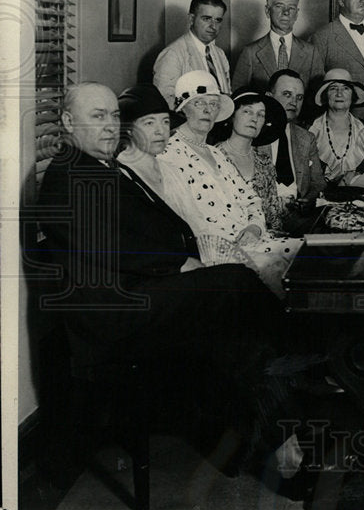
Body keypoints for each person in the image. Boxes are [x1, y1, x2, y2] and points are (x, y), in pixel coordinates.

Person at [38, 83, 290, 476]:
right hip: (112, 313)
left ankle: (256, 435)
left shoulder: (102, 166)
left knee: (236, 323)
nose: (109, 126)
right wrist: (183, 265)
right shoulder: (68, 173)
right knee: (235, 285)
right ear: (69, 122)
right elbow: (113, 249)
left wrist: (190, 256)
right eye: (97, 116)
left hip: (136, 294)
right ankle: (280, 410)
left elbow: (148, 229)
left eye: (113, 116)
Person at [159, 71, 300, 292]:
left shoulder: (216, 155)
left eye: (214, 104)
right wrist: (233, 249)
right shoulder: (168, 154)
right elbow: (186, 219)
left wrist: (254, 228)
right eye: (199, 103)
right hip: (218, 256)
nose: (208, 110)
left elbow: (252, 200)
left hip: (254, 241)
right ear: (182, 108)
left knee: (307, 258)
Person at [213, 89, 289, 233]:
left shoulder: (265, 163)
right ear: (232, 116)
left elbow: (273, 218)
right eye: (247, 111)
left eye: (261, 115)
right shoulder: (213, 157)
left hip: (263, 242)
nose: (254, 118)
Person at [231, 0, 322, 93]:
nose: (286, 12)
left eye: (291, 7)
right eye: (279, 6)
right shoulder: (250, 52)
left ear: (297, 14)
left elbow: (318, 96)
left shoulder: (311, 52)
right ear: (267, 11)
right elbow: (238, 94)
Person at [154, 0, 232, 102]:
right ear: (191, 19)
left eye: (218, 20)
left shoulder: (219, 54)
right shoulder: (173, 54)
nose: (213, 26)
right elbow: (165, 101)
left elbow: (227, 94)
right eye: (206, 19)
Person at [265, 69, 325, 207]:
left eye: (299, 97)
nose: (294, 102)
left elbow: (318, 183)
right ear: (269, 97)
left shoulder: (306, 138)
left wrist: (309, 200)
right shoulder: (253, 134)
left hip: (298, 216)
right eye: (287, 94)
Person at [308, 67, 364, 184]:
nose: (339, 94)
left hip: (358, 198)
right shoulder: (309, 129)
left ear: (353, 95)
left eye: (345, 88)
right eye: (333, 88)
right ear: (325, 95)